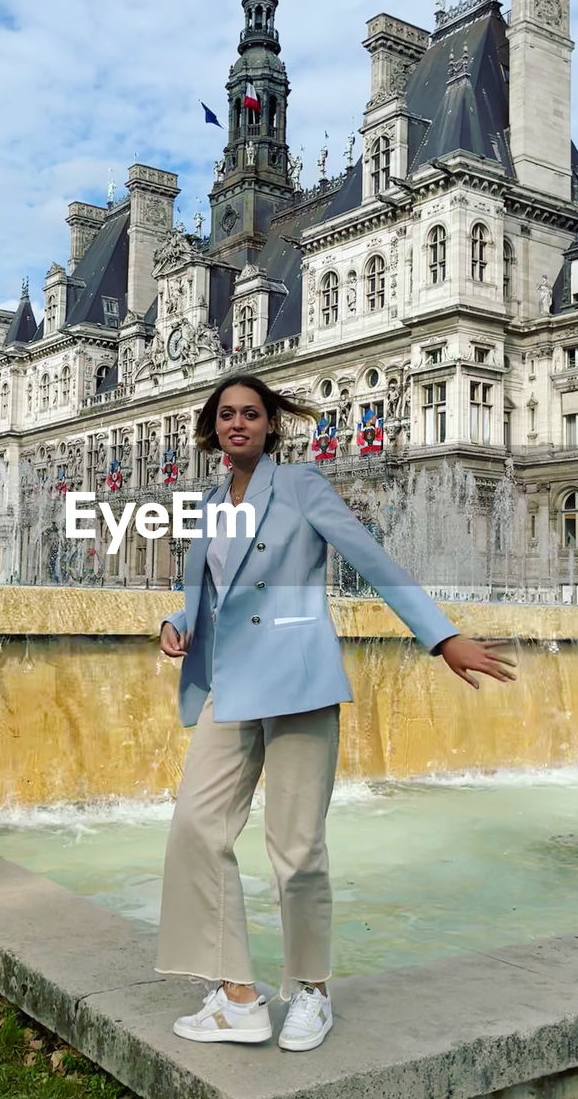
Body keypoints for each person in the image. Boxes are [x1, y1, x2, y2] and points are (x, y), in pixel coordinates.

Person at [156, 374, 515, 1051]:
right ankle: (238, 995)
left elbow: (372, 561)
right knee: (195, 831)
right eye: (227, 414)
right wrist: (176, 623)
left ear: (270, 425)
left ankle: (311, 992)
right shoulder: (206, 504)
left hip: (296, 680)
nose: (239, 423)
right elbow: (212, 595)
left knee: (296, 850)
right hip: (229, 685)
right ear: (212, 428)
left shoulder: (301, 488)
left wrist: (441, 636)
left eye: (251, 414)